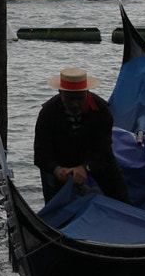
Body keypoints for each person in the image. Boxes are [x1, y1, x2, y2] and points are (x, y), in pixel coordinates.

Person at [33, 67, 130, 204]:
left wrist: (85, 167)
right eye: (70, 99)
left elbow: (103, 149)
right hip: (61, 162)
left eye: (79, 98)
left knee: (121, 197)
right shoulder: (47, 113)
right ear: (60, 93)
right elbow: (41, 154)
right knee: (55, 206)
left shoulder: (102, 110)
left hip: (96, 159)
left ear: (87, 92)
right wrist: (57, 170)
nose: (75, 104)